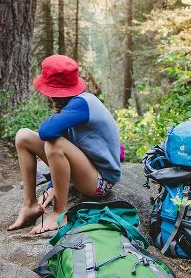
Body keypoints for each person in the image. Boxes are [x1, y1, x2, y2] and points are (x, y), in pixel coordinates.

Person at [8, 54, 122, 234]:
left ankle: (60, 213)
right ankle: (29, 205)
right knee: (23, 136)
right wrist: (52, 187)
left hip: (100, 182)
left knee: (54, 144)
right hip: (84, 168)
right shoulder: (73, 105)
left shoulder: (82, 104)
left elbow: (47, 132)